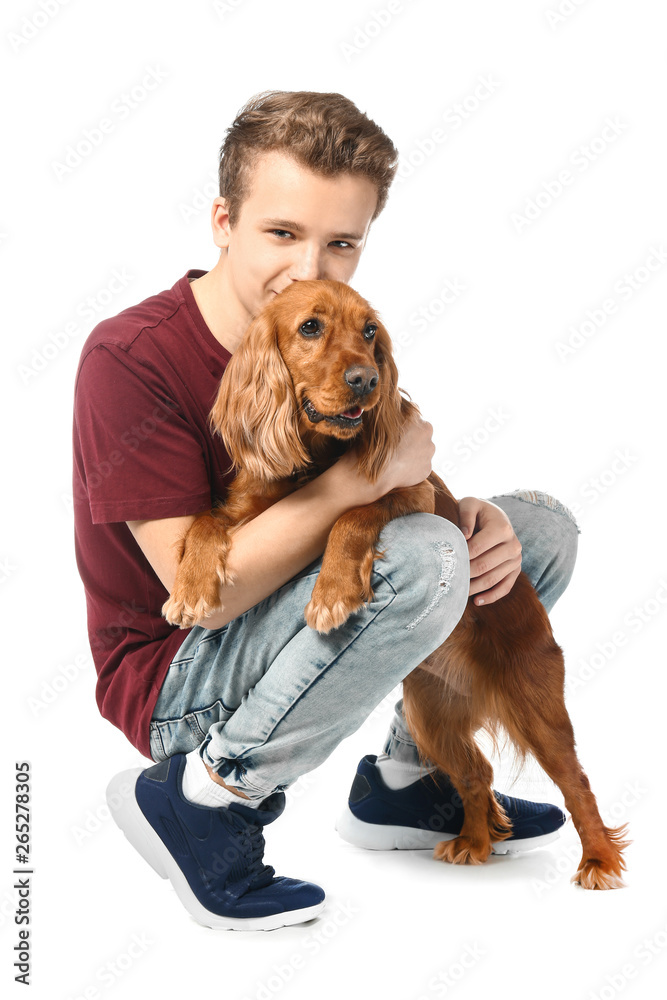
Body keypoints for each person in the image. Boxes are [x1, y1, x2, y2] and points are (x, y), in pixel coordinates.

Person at [72, 90, 580, 932]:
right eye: (282, 233)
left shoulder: (340, 338)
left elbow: (401, 496)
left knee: (537, 533)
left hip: (303, 612)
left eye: (340, 243)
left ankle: (406, 784)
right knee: (422, 556)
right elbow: (209, 593)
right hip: (179, 678)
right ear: (222, 220)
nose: (311, 267)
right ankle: (206, 796)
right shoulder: (130, 359)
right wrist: (357, 491)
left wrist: (469, 515)